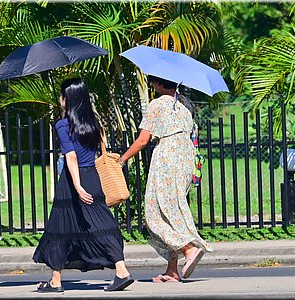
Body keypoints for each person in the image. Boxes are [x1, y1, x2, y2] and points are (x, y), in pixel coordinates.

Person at [32, 78, 134, 293]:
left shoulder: (62, 125)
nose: (59, 100)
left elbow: (71, 157)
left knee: (59, 228)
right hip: (93, 177)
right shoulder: (93, 123)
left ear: (67, 98)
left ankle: (57, 281)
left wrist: (77, 187)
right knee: (101, 223)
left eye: (61, 96)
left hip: (72, 181)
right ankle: (118, 269)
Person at [117, 75, 212, 283]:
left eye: (153, 81)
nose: (152, 85)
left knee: (154, 214)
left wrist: (122, 159)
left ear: (159, 83)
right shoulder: (185, 103)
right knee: (172, 210)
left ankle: (188, 249)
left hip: (167, 157)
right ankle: (172, 270)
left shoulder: (157, 104)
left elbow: (143, 140)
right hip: (186, 157)